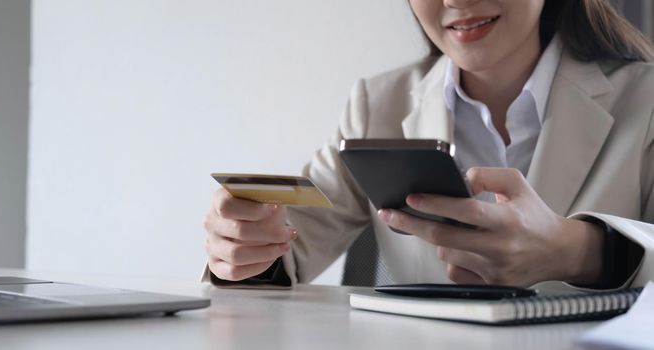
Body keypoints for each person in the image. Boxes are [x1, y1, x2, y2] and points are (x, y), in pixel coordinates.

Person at [202, 0, 654, 289]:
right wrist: (244, 248)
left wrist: (576, 251)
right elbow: (289, 247)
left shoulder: (646, 99)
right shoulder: (377, 105)